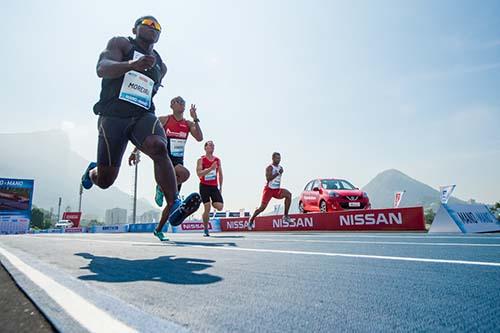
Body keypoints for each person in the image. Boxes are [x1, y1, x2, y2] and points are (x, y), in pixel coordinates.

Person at [80, 16, 179, 241]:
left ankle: (175, 204)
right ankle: (91, 172)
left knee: (158, 146)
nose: (152, 27)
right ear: (134, 28)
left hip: (142, 115)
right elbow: (102, 68)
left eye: (157, 26)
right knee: (105, 180)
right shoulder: (121, 44)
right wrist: (131, 65)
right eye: (147, 22)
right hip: (113, 116)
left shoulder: (161, 66)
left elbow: (150, 90)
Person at [129, 96, 203, 238]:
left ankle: (158, 230)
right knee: (186, 174)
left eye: (183, 102)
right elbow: (146, 135)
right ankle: (161, 187)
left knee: (171, 203)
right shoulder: (164, 120)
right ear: (171, 105)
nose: (181, 104)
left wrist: (195, 118)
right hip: (165, 161)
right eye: (178, 101)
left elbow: (199, 138)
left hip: (178, 163)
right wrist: (134, 152)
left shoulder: (187, 124)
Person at [248, 152, 292, 230]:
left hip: (276, 190)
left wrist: (279, 172)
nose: (279, 160)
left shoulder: (280, 167)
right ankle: (251, 220)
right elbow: (268, 178)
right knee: (262, 208)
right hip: (268, 190)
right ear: (273, 158)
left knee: (288, 195)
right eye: (277, 158)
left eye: (280, 158)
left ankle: (285, 216)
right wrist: (278, 173)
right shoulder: (269, 167)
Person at [196, 141, 224, 236]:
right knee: (207, 209)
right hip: (204, 186)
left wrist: (220, 187)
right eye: (210, 145)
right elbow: (199, 173)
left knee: (220, 207)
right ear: (205, 148)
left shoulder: (217, 160)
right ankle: (205, 228)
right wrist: (210, 169)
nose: (212, 146)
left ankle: (213, 201)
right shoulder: (201, 160)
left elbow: (220, 174)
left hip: (214, 186)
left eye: (213, 145)